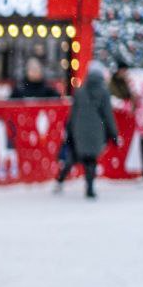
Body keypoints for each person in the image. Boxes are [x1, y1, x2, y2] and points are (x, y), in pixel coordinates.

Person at [54, 63, 118, 198]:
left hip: (79, 130)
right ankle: (89, 187)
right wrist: (114, 134)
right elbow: (108, 115)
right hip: (96, 131)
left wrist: (69, 131)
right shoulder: (104, 93)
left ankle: (60, 180)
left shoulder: (80, 91)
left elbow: (73, 114)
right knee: (91, 159)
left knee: (73, 156)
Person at [109, 59, 143, 179]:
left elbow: (135, 100)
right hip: (138, 122)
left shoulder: (133, 83)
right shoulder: (114, 82)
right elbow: (118, 100)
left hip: (141, 121)